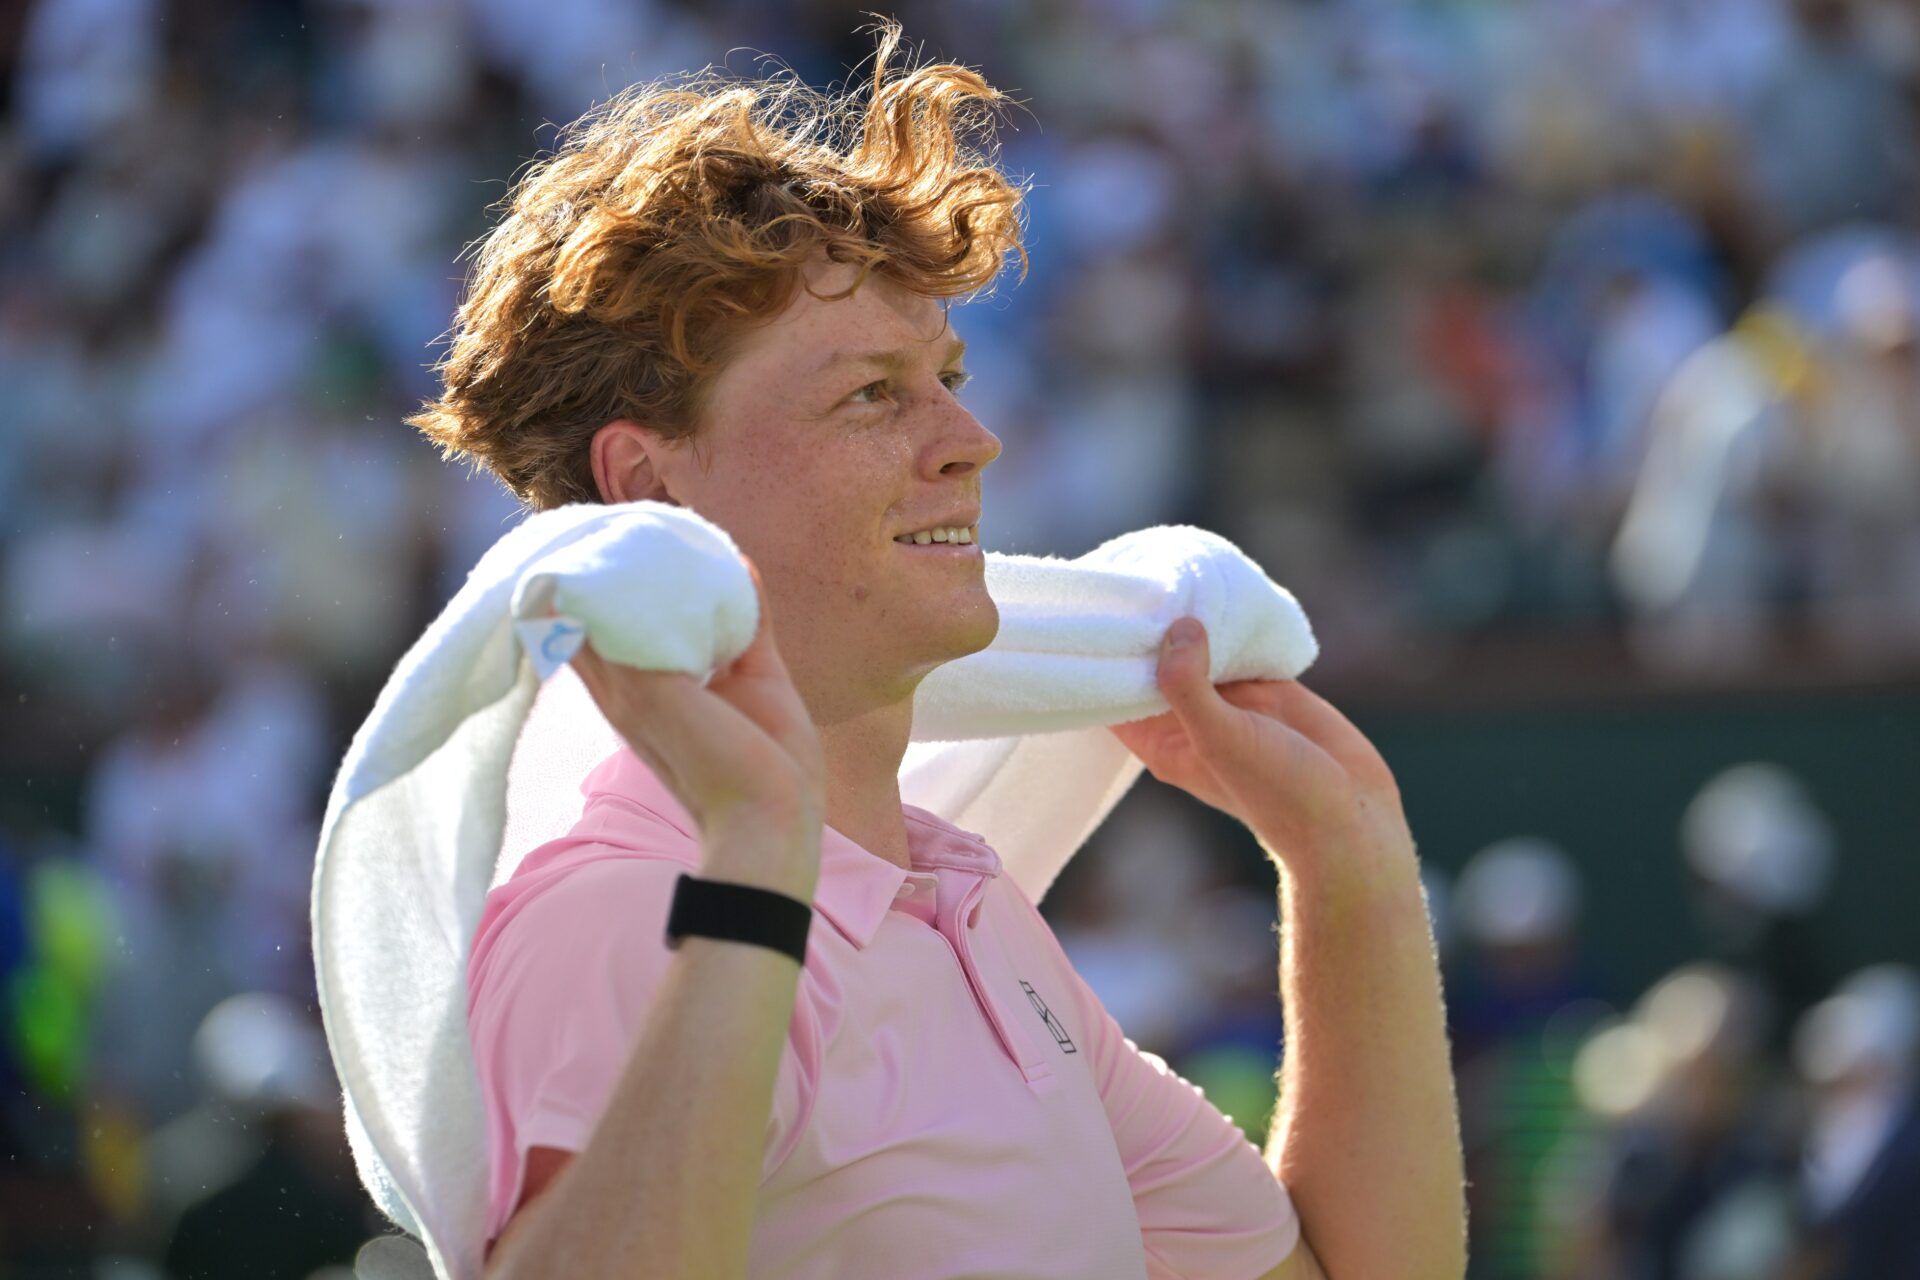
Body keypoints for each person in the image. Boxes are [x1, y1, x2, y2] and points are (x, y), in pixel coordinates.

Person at [414, 22, 1463, 1280]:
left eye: (950, 374)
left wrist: (1349, 865)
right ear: (652, 491)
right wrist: (754, 860)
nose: (971, 438)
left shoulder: (967, 902)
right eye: (871, 393)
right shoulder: (624, 911)